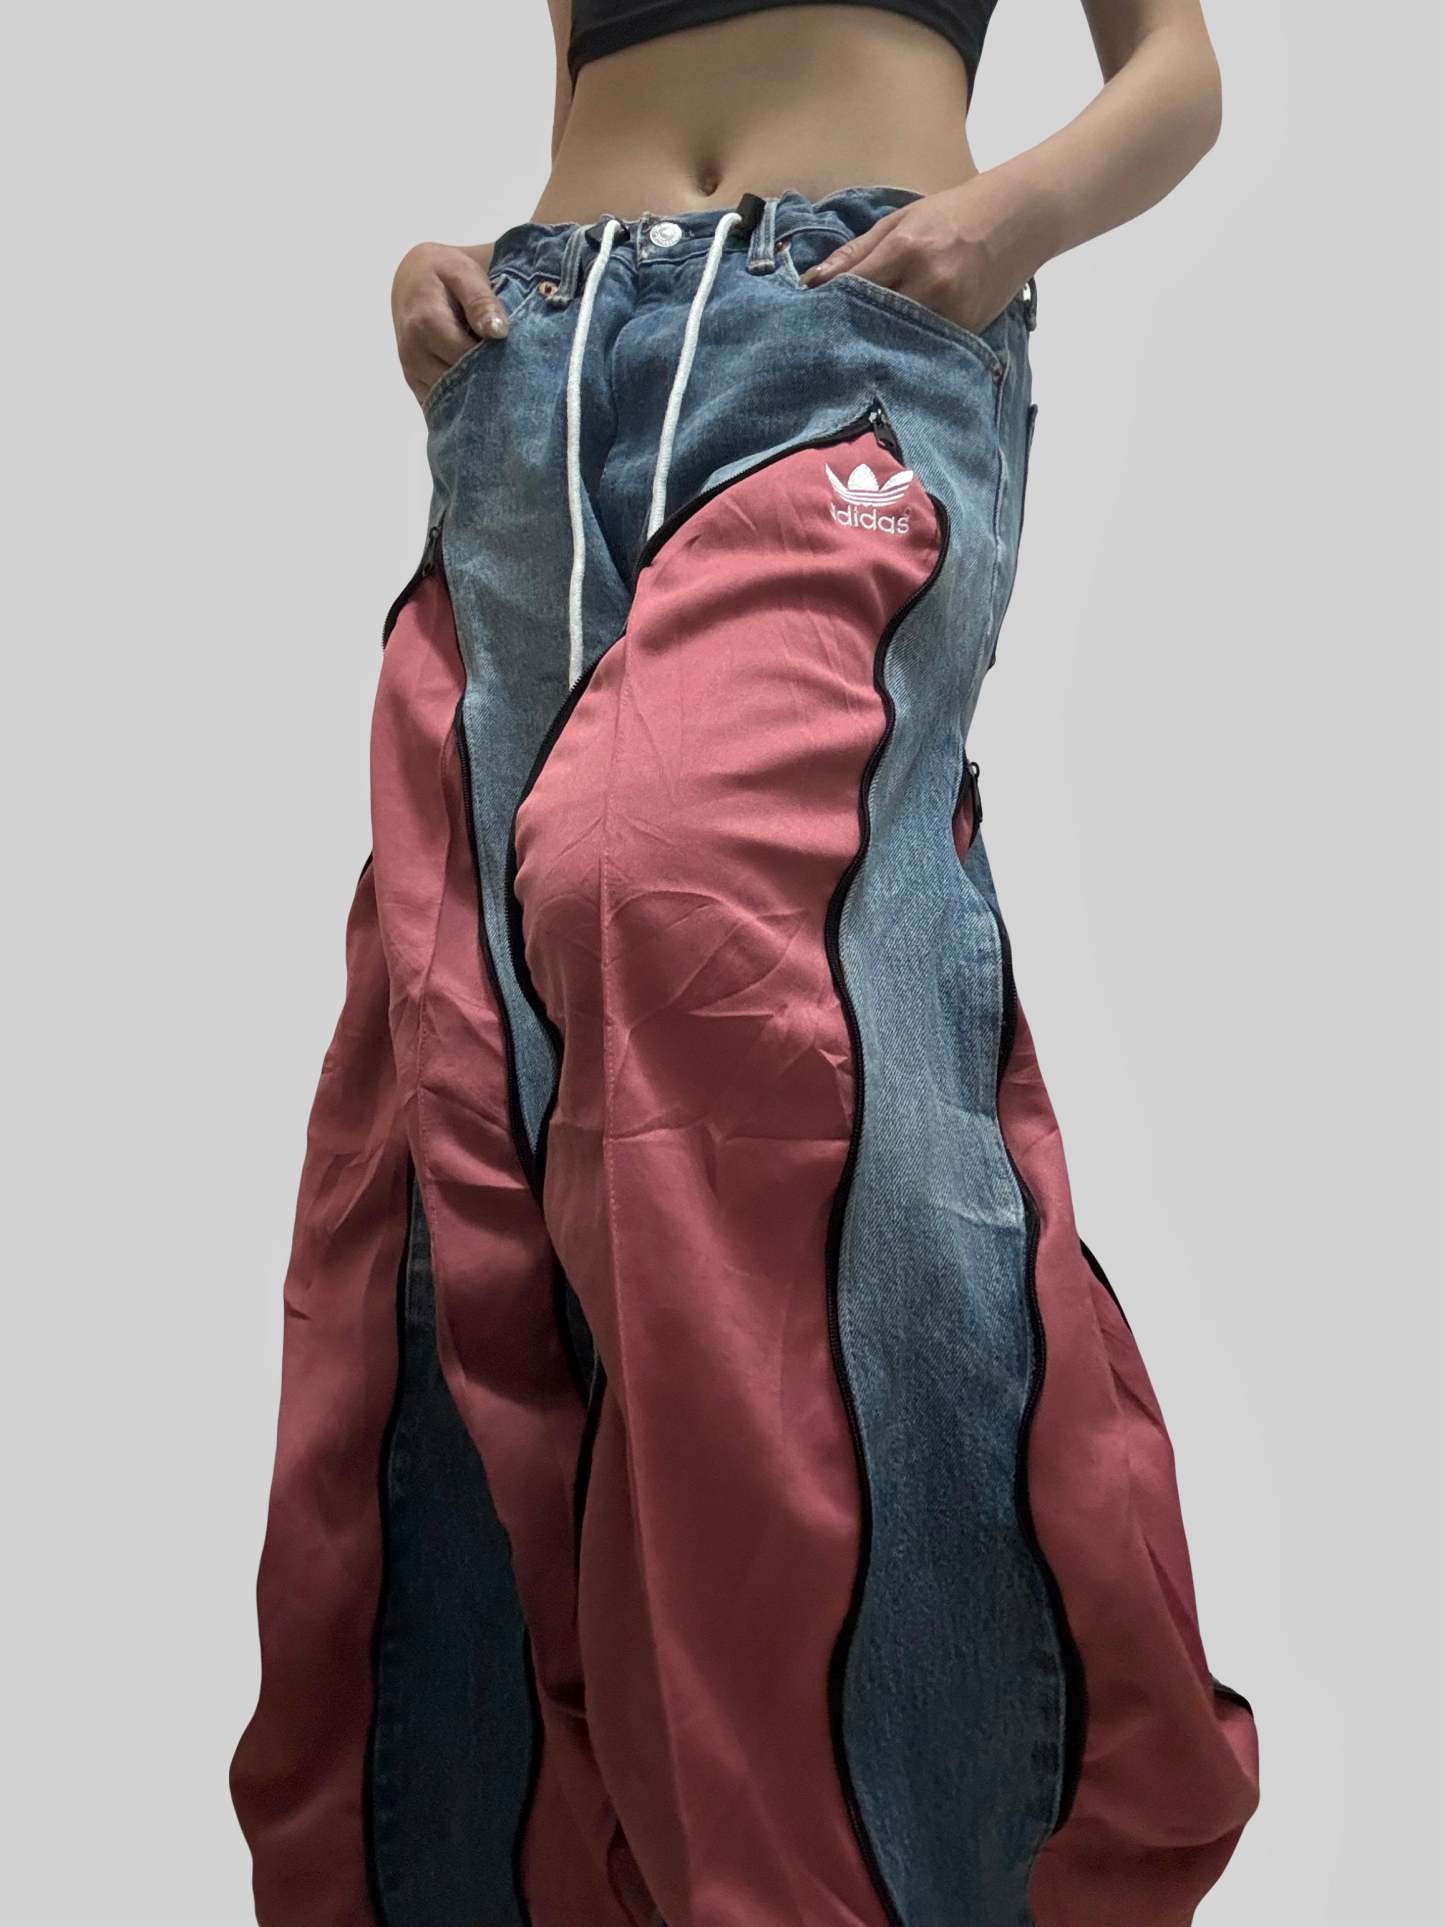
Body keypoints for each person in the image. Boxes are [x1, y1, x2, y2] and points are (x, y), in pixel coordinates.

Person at [231, 5, 1260, 1923]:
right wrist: (442, 271)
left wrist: (1001, 227)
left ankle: (912, 1849)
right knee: (472, 1101)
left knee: (703, 931)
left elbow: (1176, 79)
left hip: (848, 340)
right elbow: (588, 92)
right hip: (534, 363)